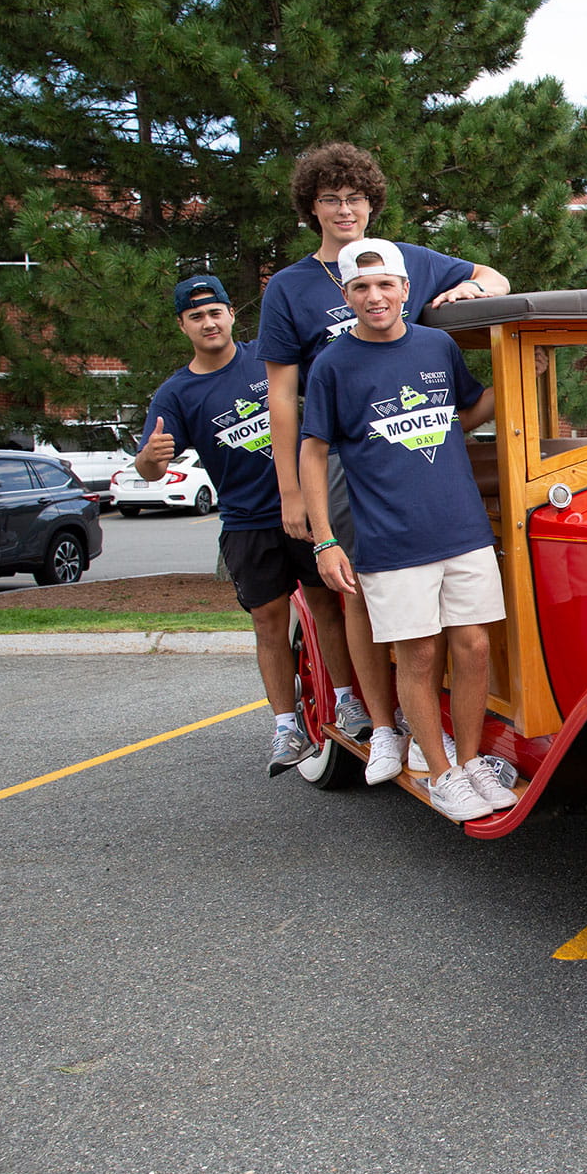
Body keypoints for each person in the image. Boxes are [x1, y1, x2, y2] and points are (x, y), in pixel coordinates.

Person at [256, 142, 509, 776]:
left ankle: (436, 726)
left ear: (372, 204)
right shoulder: (289, 287)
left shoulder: (410, 262)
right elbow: (283, 395)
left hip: (419, 447)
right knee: (364, 592)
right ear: (310, 207)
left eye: (356, 198)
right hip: (345, 449)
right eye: (331, 199)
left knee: (443, 608)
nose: (345, 209)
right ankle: (387, 724)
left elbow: (496, 279)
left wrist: (466, 291)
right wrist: (290, 487)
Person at [298, 240, 514, 824]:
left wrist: (518, 380)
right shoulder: (333, 365)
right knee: (417, 655)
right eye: (361, 288)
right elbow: (313, 452)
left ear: (404, 290)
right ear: (347, 296)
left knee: (471, 648)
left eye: (385, 285)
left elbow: (460, 413)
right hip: (388, 538)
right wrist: (325, 539)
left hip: (462, 527)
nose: (375, 296)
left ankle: (467, 763)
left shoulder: (436, 344)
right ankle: (439, 775)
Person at [135, 276, 349, 776]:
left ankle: (347, 702)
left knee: (327, 605)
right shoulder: (176, 393)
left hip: (308, 511)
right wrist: (150, 458)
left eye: (216, 312)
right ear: (182, 326)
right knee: (269, 623)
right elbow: (150, 468)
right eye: (196, 317)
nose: (209, 323)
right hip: (247, 523)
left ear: (232, 315)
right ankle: (285, 727)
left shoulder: (268, 360)